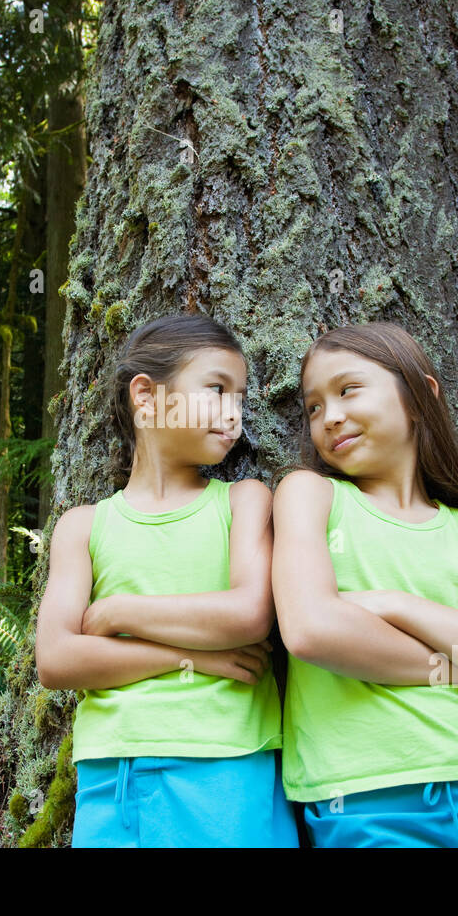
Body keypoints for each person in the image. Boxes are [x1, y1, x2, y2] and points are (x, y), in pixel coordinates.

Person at [271, 321, 458, 847]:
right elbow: (312, 631)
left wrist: (394, 604)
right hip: (367, 795)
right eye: (314, 406)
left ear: (418, 396)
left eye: (347, 390)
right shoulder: (310, 495)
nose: (330, 417)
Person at [35, 313, 297, 847]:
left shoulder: (245, 501)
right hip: (115, 775)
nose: (235, 416)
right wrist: (193, 658)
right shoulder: (83, 527)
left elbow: (248, 615)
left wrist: (119, 613)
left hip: (230, 767)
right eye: (217, 389)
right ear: (146, 397)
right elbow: (57, 660)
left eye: (240, 399)